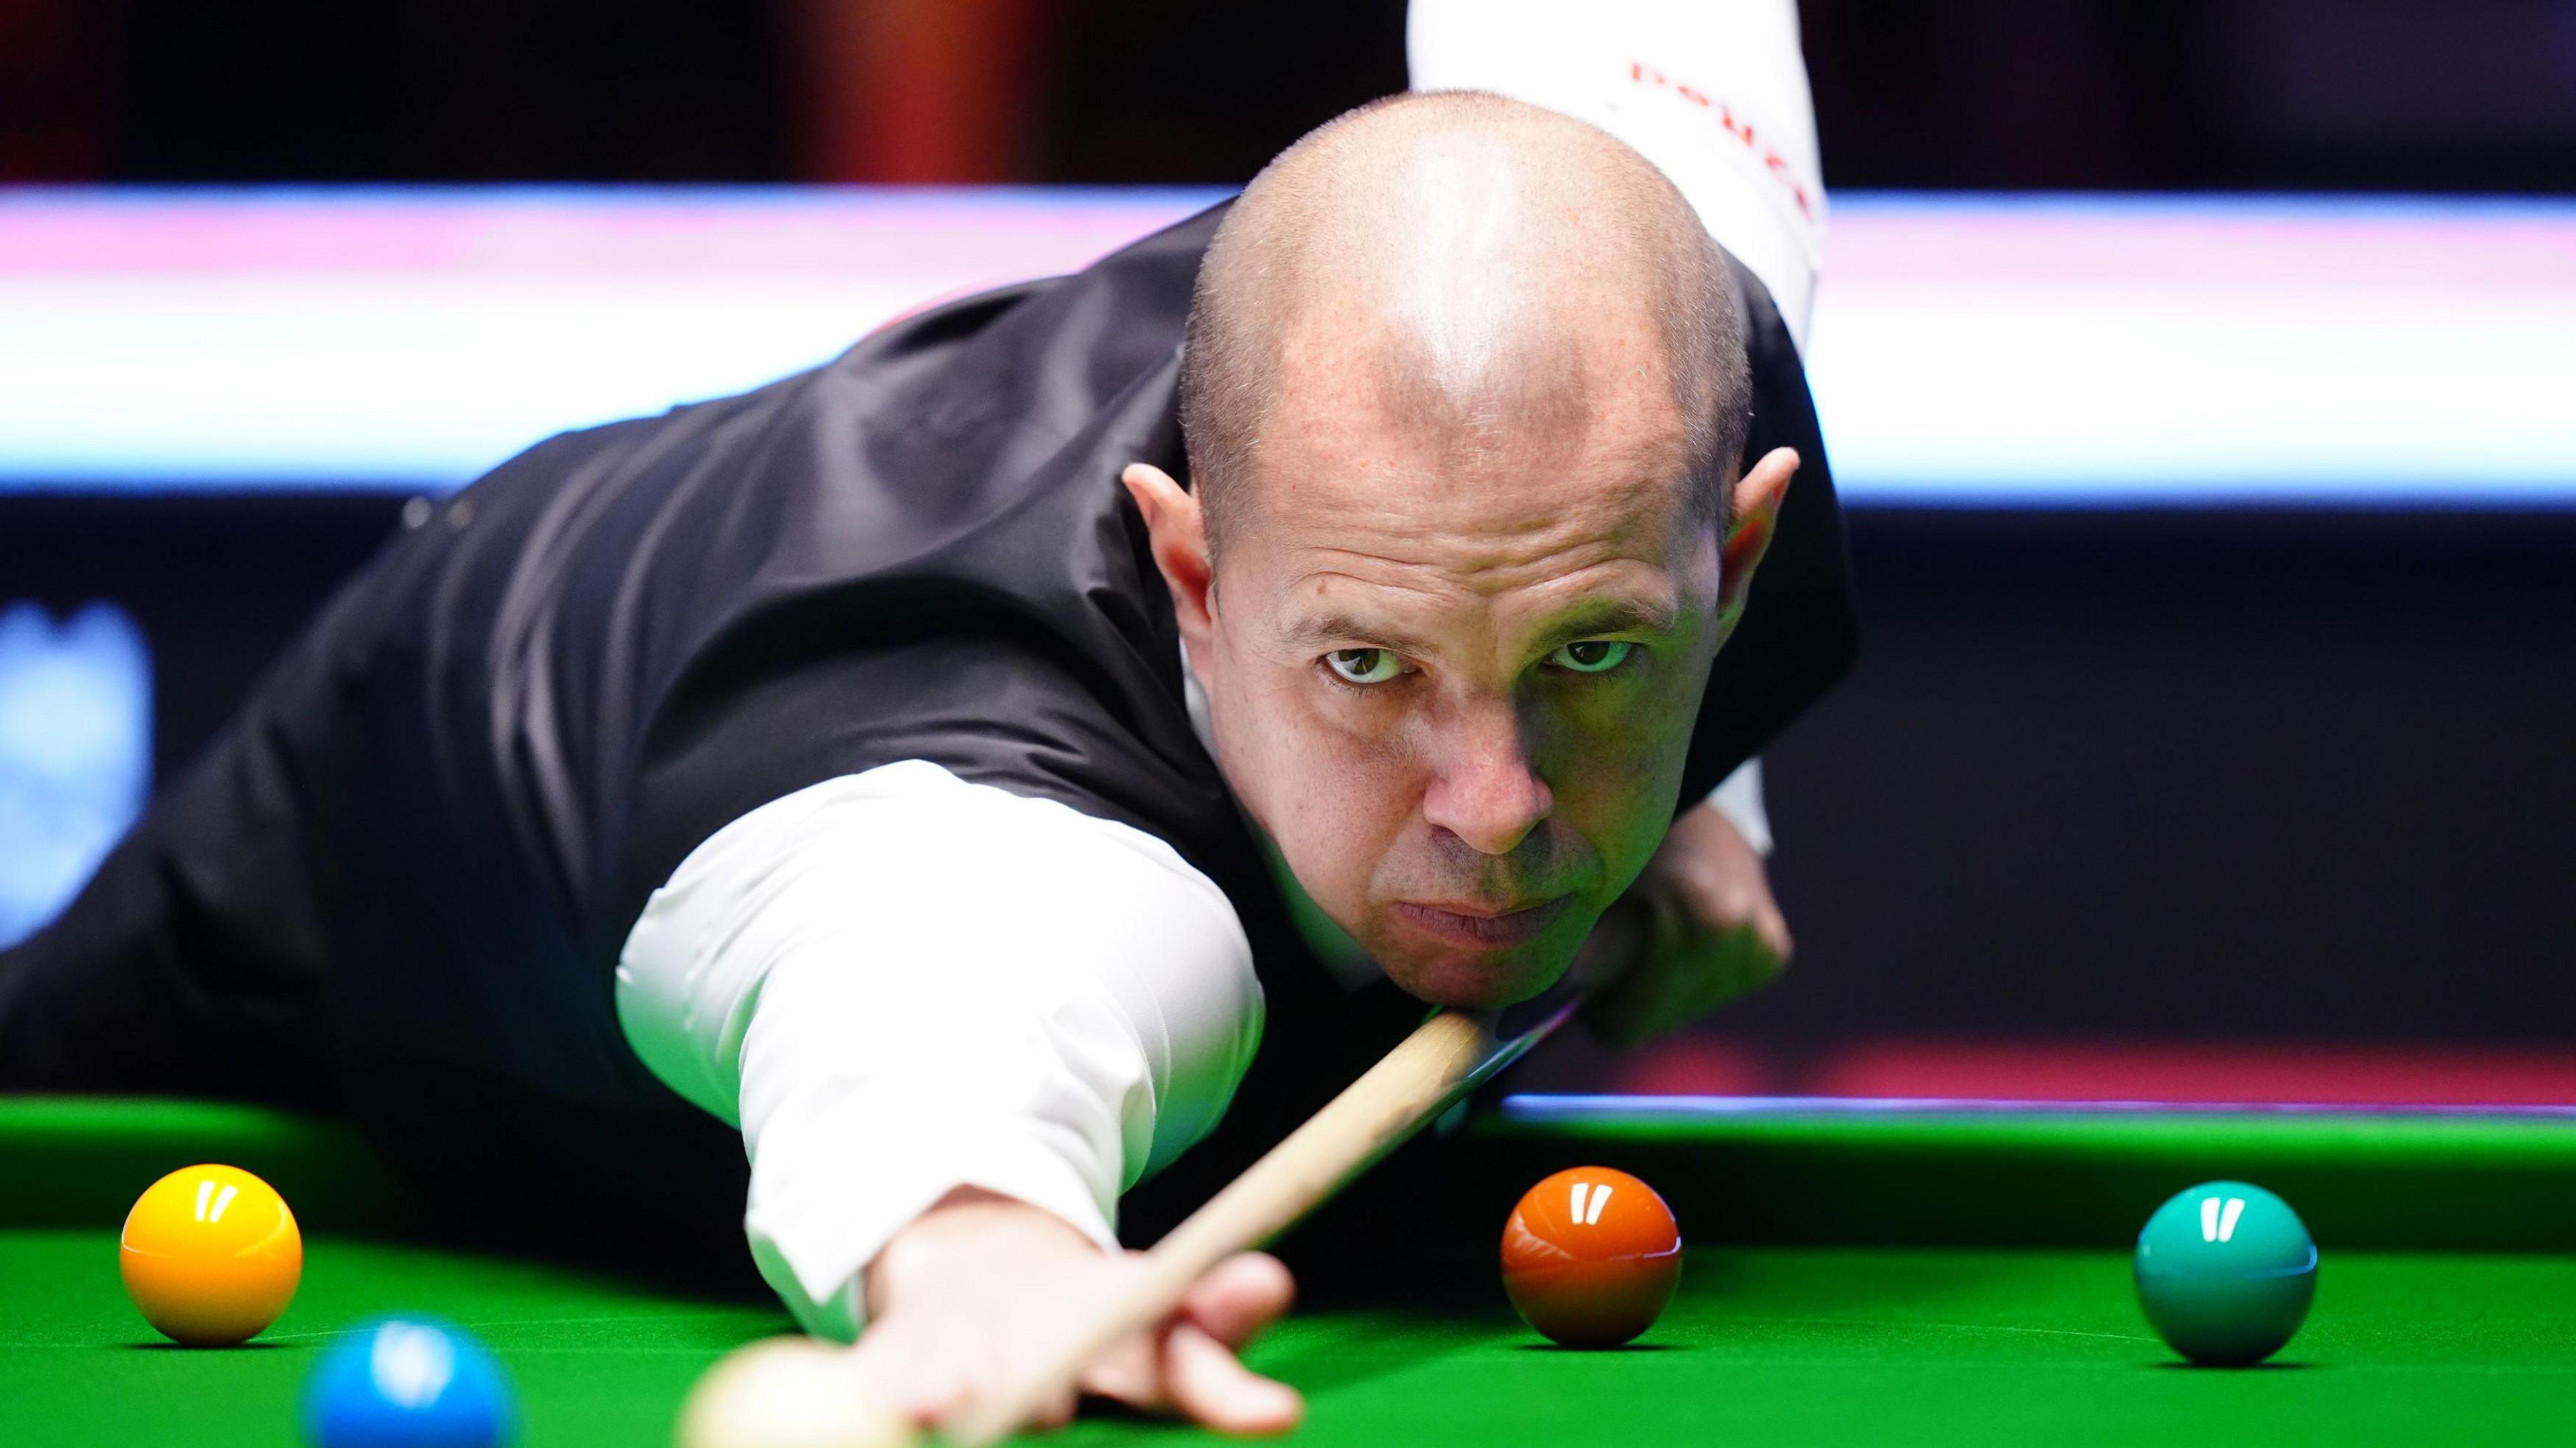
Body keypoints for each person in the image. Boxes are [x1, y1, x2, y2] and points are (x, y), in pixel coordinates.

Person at [0, 1, 1851, 1433]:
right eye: (1368, 667)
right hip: (451, 760)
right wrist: (982, 1252)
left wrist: (1706, 789)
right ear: (1198, 584)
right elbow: (942, 1027)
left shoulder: (1683, 334)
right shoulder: (987, 840)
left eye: (1591, 658)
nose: (1505, 808)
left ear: (1735, 549)